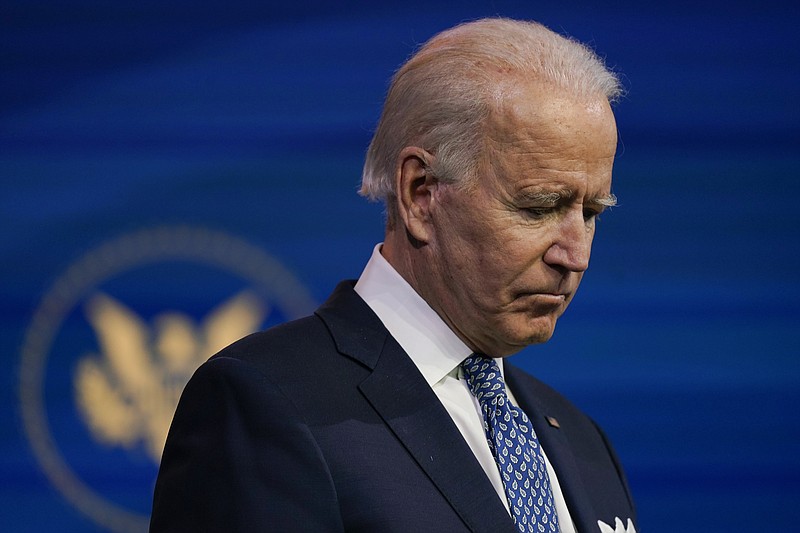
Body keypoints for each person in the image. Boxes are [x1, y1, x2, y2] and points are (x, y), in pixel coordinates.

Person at [151, 17, 637, 533]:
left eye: (591, 214)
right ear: (420, 193)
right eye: (539, 206)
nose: (575, 255)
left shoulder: (582, 442)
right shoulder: (267, 405)